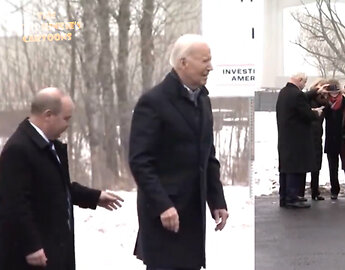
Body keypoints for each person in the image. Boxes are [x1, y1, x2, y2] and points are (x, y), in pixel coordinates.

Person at [129, 34, 229, 270]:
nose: (210, 67)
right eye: (205, 61)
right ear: (184, 62)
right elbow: (140, 162)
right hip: (164, 215)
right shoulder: (153, 102)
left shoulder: (203, 100)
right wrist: (163, 205)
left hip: (193, 214)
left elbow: (208, 155)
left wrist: (216, 200)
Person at [0, 87, 123, 270]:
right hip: (31, 256)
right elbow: (14, 205)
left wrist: (94, 196)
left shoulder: (50, 147)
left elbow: (57, 188)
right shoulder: (18, 149)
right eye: (66, 118)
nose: (68, 125)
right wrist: (31, 247)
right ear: (48, 115)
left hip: (55, 249)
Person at [276, 72, 321, 208]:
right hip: (297, 138)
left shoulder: (284, 92)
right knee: (295, 168)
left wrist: (315, 91)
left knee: (285, 168)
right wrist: (316, 113)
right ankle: (293, 197)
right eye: (304, 83)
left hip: (285, 137)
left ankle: (284, 197)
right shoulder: (297, 95)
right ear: (300, 80)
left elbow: (300, 99)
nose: (304, 86)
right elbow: (306, 114)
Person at [317, 79, 345, 200]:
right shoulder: (326, 103)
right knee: (332, 167)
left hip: (344, 138)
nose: (334, 94)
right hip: (330, 139)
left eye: (336, 92)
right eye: (331, 92)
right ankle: (335, 190)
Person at [305, 79, 327, 201]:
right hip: (308, 135)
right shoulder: (308, 99)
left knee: (317, 164)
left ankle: (315, 190)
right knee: (305, 164)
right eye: (319, 87)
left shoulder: (322, 101)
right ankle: (300, 191)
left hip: (318, 135)